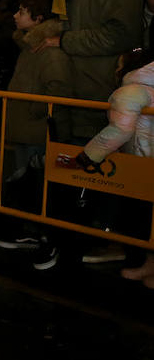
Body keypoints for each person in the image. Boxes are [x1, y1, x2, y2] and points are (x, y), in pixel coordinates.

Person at [44, 0, 145, 266]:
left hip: (101, 87)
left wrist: (67, 40)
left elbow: (122, 34)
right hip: (76, 84)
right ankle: (69, 232)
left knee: (105, 165)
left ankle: (107, 235)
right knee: (75, 159)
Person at [0, 0, 72, 258]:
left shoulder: (48, 52)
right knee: (27, 182)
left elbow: (58, 89)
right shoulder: (29, 47)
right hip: (26, 126)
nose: (16, 15)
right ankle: (29, 230)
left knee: (37, 184)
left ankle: (42, 233)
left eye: (22, 11)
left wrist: (33, 110)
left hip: (37, 129)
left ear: (38, 18)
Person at [69, 51, 154, 288]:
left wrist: (88, 156)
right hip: (145, 159)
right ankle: (149, 264)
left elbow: (121, 128)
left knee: (146, 215)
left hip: (145, 160)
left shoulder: (132, 89)